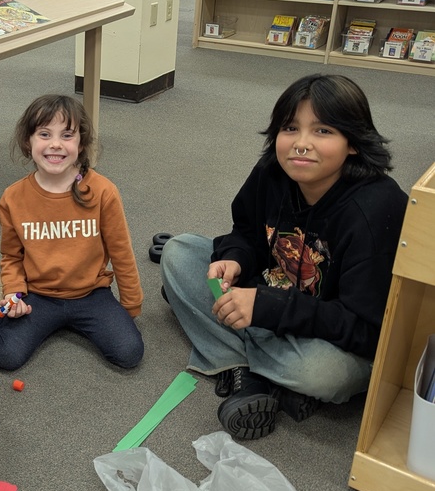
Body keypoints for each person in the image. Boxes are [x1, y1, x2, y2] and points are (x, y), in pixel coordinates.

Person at [160, 73, 408, 440]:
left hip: (334, 334)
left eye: (323, 131)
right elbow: (245, 231)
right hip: (271, 294)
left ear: (353, 143)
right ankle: (266, 373)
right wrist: (235, 259)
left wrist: (265, 308)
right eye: (290, 128)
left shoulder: (376, 210)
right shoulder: (273, 172)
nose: (301, 144)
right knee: (179, 252)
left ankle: (249, 371)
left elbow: (366, 330)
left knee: (327, 376)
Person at [0, 94, 144, 371]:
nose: (55, 144)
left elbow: (121, 252)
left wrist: (130, 306)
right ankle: (2, 286)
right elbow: (11, 256)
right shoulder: (13, 197)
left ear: (81, 143)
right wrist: (14, 293)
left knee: (129, 353)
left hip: (90, 294)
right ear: (28, 141)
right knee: (5, 355)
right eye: (44, 134)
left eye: (67, 135)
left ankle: (7, 288)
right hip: (37, 294)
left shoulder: (103, 191)